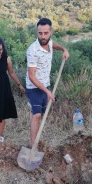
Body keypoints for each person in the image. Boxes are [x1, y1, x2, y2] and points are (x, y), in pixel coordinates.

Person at [26, 17, 70, 147]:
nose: (43, 36)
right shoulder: (32, 50)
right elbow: (32, 77)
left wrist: (64, 49)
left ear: (50, 32)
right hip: (33, 87)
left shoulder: (49, 43)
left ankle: (34, 108)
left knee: (44, 112)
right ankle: (33, 145)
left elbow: (54, 44)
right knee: (37, 115)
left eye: (46, 33)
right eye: (40, 33)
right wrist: (47, 92)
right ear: (37, 32)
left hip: (46, 84)